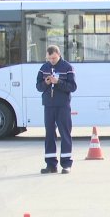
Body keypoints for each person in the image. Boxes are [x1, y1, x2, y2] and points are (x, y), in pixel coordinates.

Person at [37, 45, 77, 174]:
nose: (51, 61)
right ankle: (51, 164)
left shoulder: (68, 68)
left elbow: (72, 87)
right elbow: (39, 87)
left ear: (59, 55)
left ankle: (66, 164)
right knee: (49, 134)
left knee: (65, 133)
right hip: (48, 105)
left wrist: (58, 82)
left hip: (63, 105)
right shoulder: (44, 68)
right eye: (49, 58)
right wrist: (47, 83)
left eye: (53, 58)